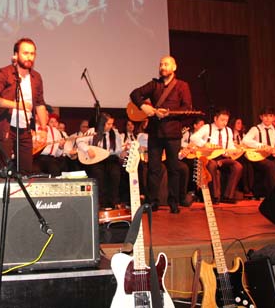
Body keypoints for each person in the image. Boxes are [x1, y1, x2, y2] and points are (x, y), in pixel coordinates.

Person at [129, 56, 193, 213]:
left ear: (174, 67)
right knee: (153, 169)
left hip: (173, 133)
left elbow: (187, 108)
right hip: (155, 133)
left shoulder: (182, 86)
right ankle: (152, 202)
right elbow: (135, 94)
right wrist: (144, 107)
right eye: (161, 64)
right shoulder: (154, 84)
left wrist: (168, 113)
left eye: (166, 64)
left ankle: (173, 202)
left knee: (174, 169)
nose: (162, 67)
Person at [0, 37, 48, 175]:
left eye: (32, 54)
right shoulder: (5, 73)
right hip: (5, 128)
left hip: (25, 129)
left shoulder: (36, 77)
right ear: (16, 55)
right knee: (3, 170)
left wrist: (44, 128)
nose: (29, 57)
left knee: (26, 171)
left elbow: (40, 104)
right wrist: (17, 105)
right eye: (25, 53)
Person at [190, 109, 243, 204]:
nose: (224, 122)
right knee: (212, 165)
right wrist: (204, 144)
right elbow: (193, 138)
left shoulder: (228, 130)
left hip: (223, 157)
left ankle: (228, 196)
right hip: (210, 157)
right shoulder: (207, 128)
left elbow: (230, 146)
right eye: (222, 120)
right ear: (215, 119)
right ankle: (214, 196)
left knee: (238, 166)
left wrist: (234, 151)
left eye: (226, 120)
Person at [77, 112, 123, 208]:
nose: (110, 126)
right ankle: (101, 203)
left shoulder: (115, 133)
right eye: (108, 124)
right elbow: (79, 141)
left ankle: (113, 202)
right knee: (98, 175)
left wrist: (123, 153)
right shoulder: (93, 131)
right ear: (102, 123)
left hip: (111, 158)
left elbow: (118, 150)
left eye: (112, 124)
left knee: (115, 175)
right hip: (96, 159)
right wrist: (88, 149)